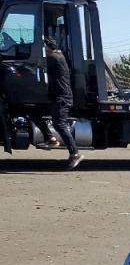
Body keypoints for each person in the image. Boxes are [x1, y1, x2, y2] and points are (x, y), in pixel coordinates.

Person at [41, 34, 81, 169]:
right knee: (34, 111)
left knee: (60, 124)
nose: (43, 49)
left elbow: (37, 61)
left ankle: (75, 154)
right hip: (55, 97)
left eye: (44, 46)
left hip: (62, 98)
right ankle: (50, 138)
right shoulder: (56, 56)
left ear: (48, 47)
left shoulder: (55, 58)